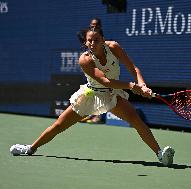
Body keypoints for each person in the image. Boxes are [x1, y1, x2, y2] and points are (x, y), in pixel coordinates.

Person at [10, 26, 175, 166]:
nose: (92, 43)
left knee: (136, 120)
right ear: (85, 42)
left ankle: (160, 154)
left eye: (96, 39)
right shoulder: (85, 60)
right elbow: (105, 81)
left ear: (103, 39)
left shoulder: (114, 48)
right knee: (59, 125)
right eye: (89, 40)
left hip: (112, 96)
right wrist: (132, 86)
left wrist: (143, 85)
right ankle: (30, 148)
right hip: (91, 95)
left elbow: (134, 68)